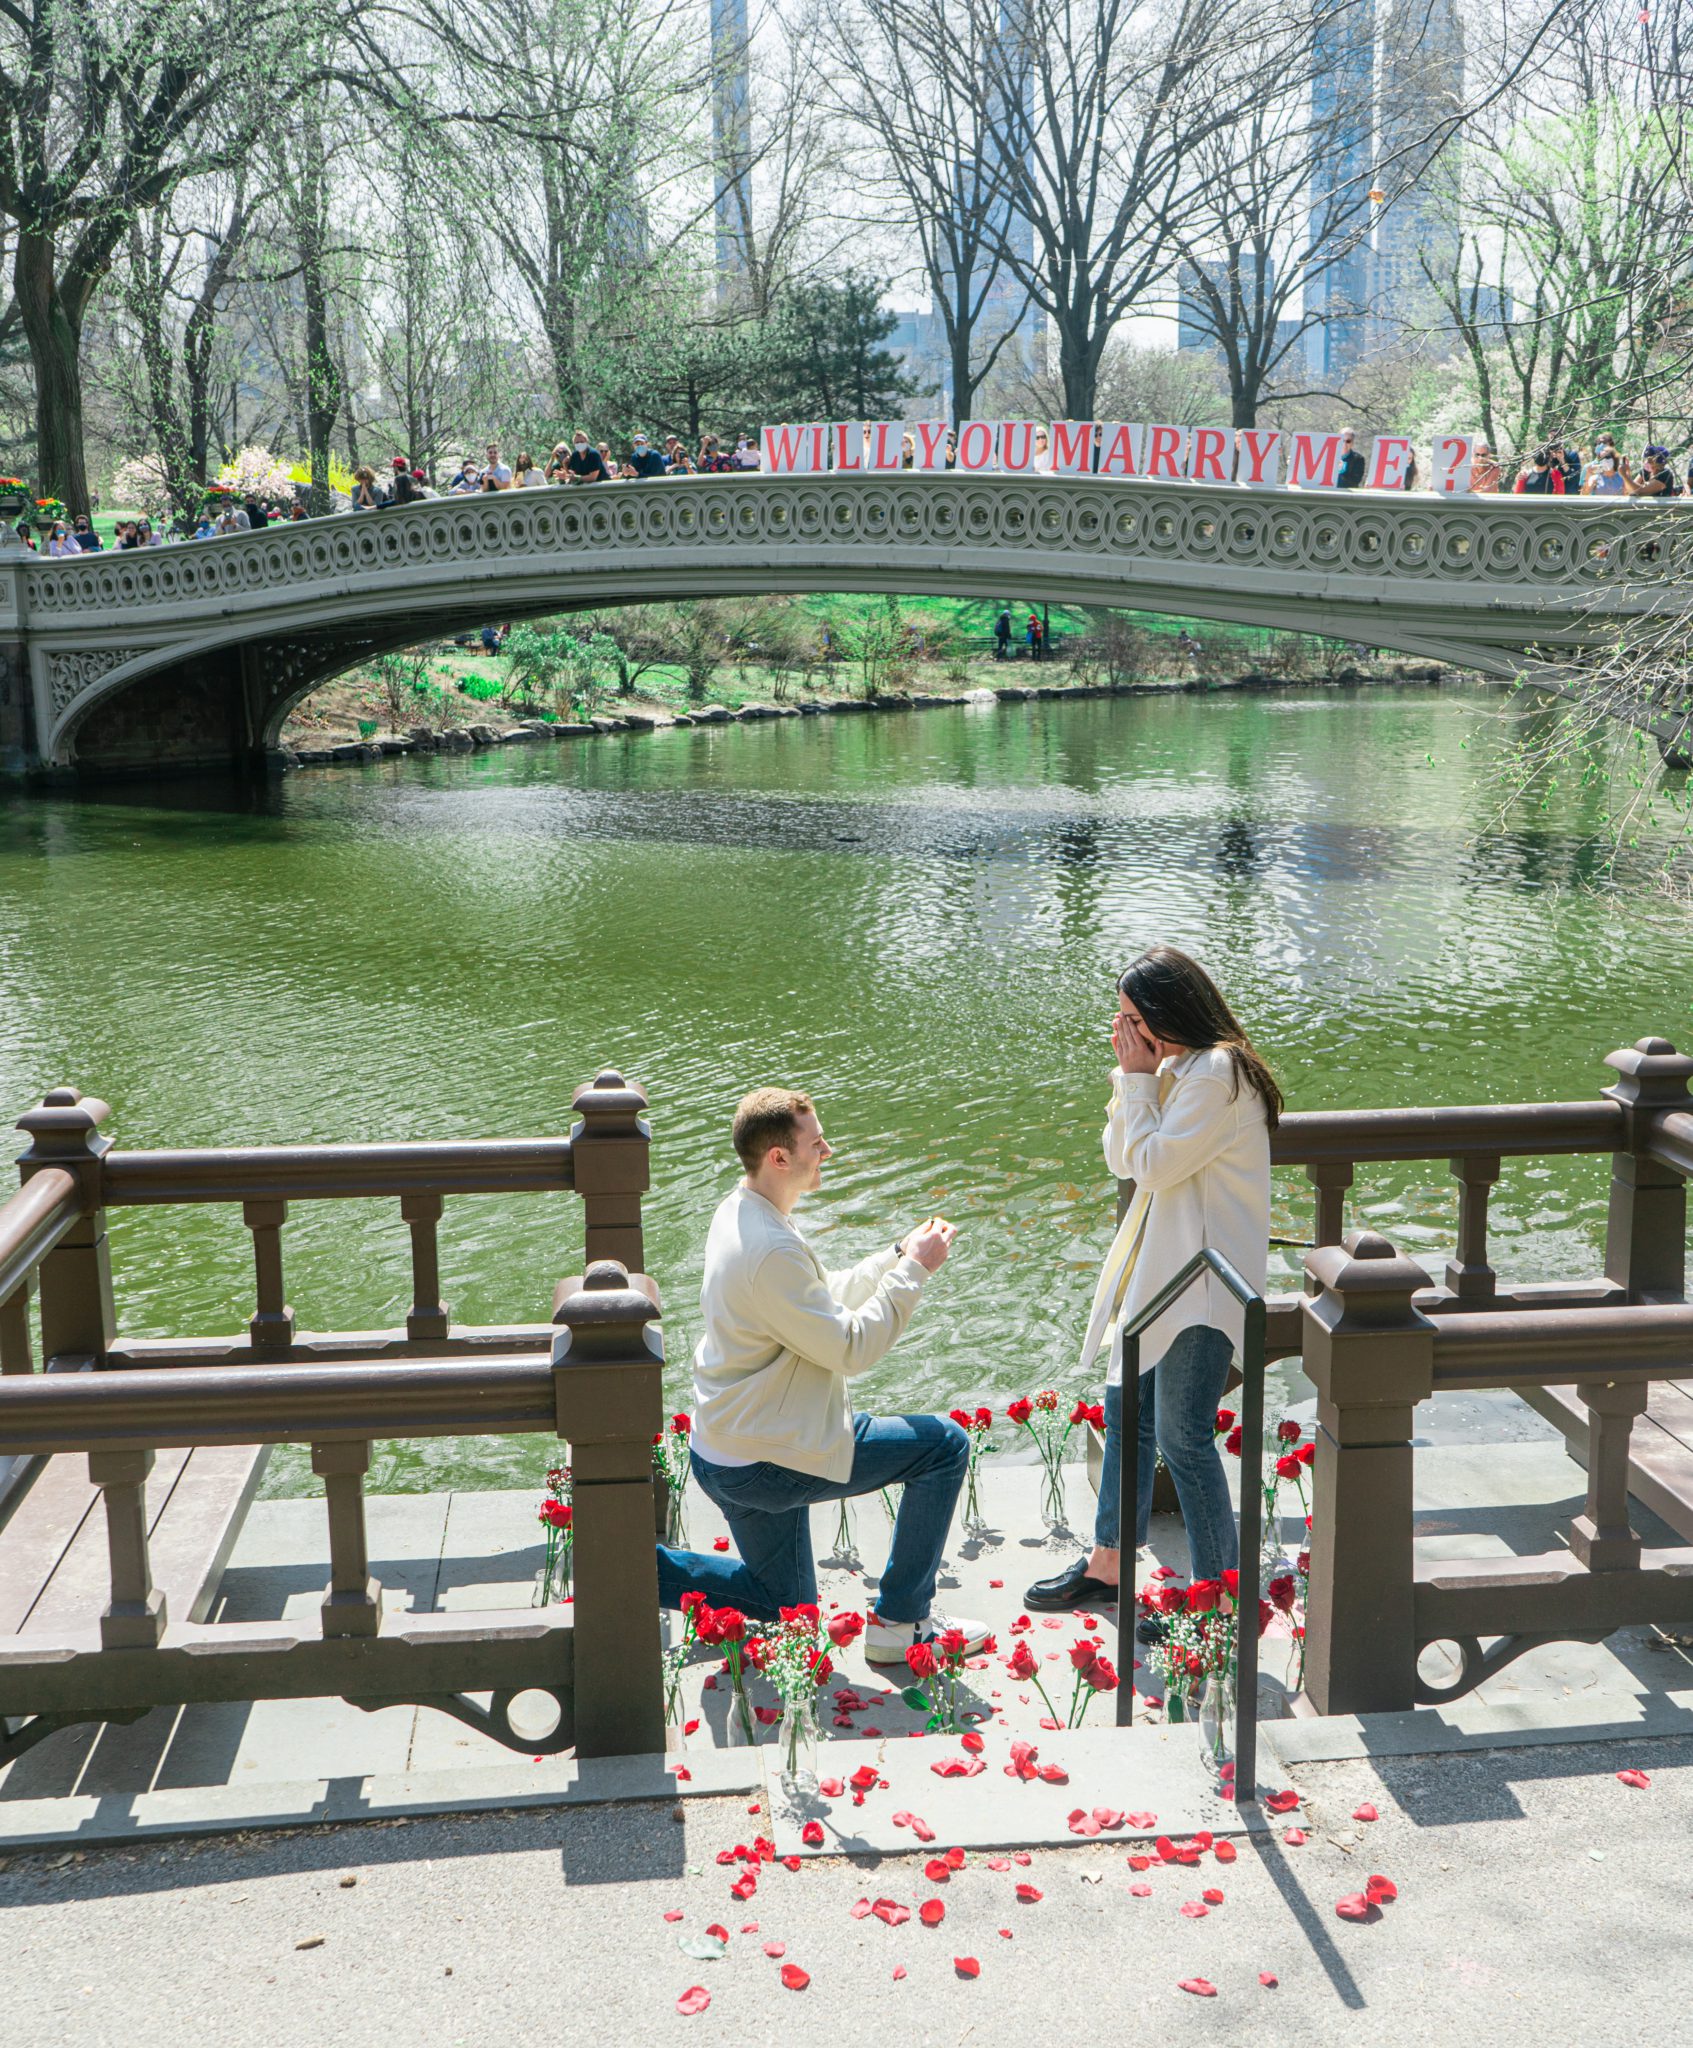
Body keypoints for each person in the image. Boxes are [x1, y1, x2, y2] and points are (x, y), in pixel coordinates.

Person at [655, 1087, 989, 1657]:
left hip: (727, 1448)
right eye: (816, 1142)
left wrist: (893, 1255)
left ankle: (631, 1571)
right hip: (768, 1459)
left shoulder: (744, 1209)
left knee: (790, 1607)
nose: (828, 1150)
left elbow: (817, 1298)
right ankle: (901, 1625)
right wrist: (915, 1272)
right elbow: (852, 1347)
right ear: (779, 1158)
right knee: (944, 1446)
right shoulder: (768, 1247)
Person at [1025, 948, 1276, 1614]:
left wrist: (1139, 1080)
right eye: (1124, 1021)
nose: (1130, 1034)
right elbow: (1122, 1156)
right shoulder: (1179, 1069)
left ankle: (1221, 1600)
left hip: (1200, 1285)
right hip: (1164, 1275)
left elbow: (1155, 1169)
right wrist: (1133, 1080)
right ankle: (1108, 1564)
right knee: (1126, 1416)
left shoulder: (1215, 1073)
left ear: (1171, 1010)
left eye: (1138, 1020)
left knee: (1182, 1437)